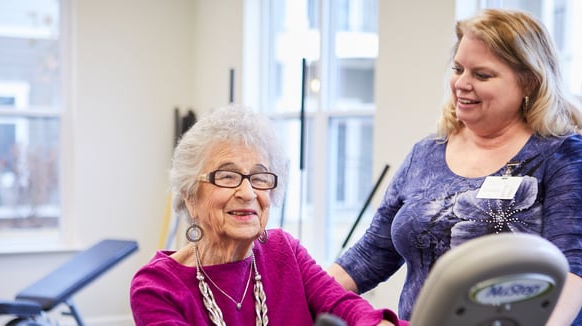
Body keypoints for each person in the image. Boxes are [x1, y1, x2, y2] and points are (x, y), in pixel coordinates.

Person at [328, 8, 582, 326]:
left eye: (482, 75)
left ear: (530, 82)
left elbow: (575, 270)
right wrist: (297, 292)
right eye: (458, 69)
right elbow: (371, 254)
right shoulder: (426, 155)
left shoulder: (566, 157)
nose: (461, 84)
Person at [130, 105, 404, 326]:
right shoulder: (158, 287)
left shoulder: (284, 251)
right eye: (227, 176)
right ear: (191, 196)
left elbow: (342, 306)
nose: (248, 192)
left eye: (259, 177)